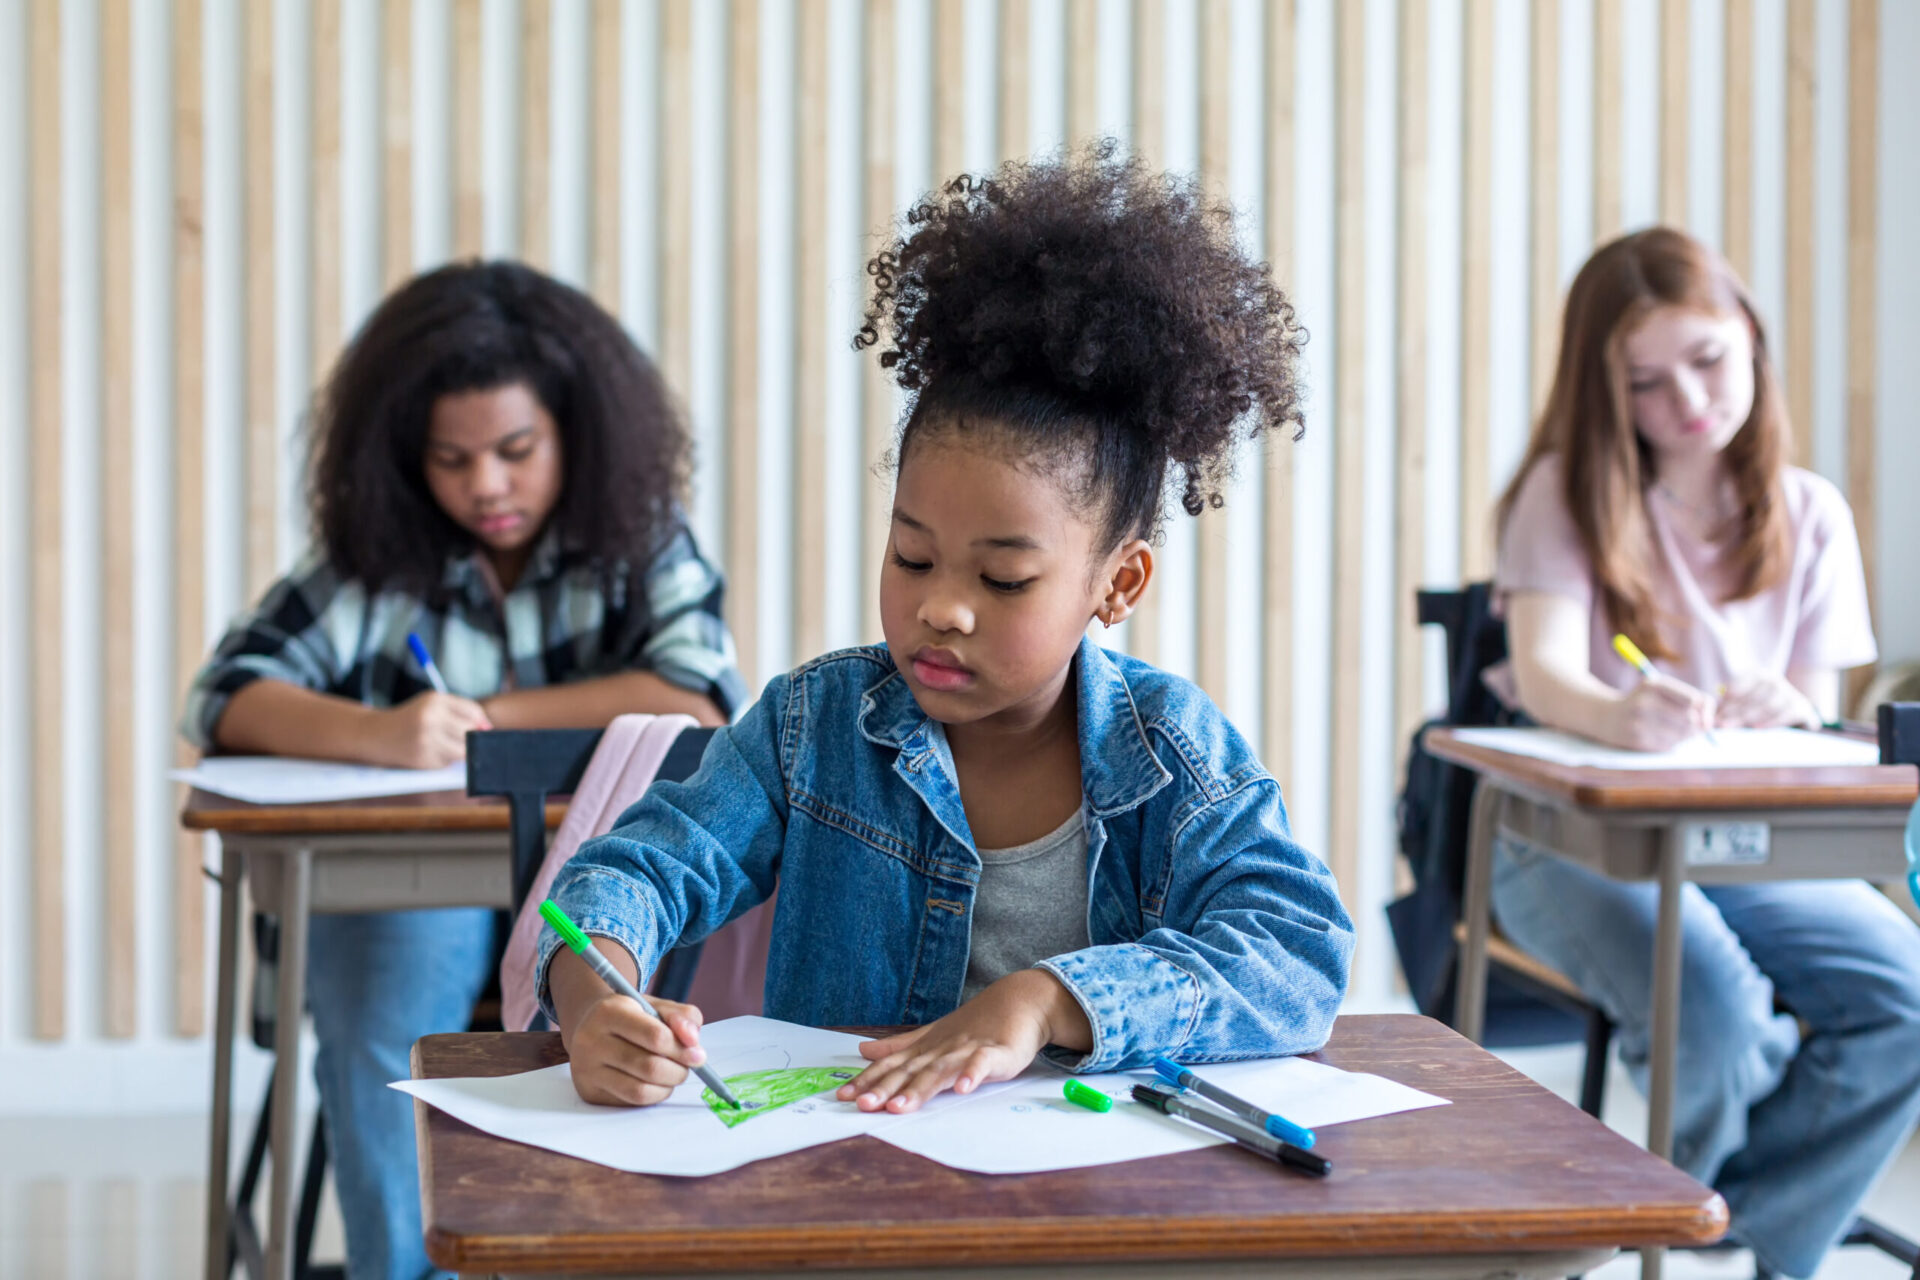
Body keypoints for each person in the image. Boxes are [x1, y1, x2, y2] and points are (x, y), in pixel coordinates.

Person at [537, 144, 1353, 1116]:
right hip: (850, 1190)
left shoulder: (1171, 752)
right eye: (912, 556)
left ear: (1118, 581)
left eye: (1004, 577)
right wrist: (594, 997)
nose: (942, 607)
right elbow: (639, 867)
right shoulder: (813, 728)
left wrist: (1050, 998)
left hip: (1093, 1212)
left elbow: (1296, 949)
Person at [181, 261, 745, 1280]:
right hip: (415, 895)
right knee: (388, 978)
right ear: (406, 455)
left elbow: (700, 701)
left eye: (515, 450)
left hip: (605, 890)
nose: (485, 483)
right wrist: (380, 732)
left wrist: (486, 720)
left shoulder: (639, 541)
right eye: (451, 458)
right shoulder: (376, 558)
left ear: (577, 430)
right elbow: (220, 697)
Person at [1488, 226, 1920, 1278]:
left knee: (1905, 998)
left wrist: (1789, 705)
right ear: (1605, 390)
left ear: (1752, 341)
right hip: (1571, 836)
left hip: (1747, 839)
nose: (1688, 398)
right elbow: (1547, 671)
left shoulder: (1811, 511)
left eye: (1709, 360)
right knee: (1716, 1020)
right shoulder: (1568, 491)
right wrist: (1615, 712)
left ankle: (1718, 1228)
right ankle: (1689, 1226)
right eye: (1647, 379)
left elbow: (1813, 711)